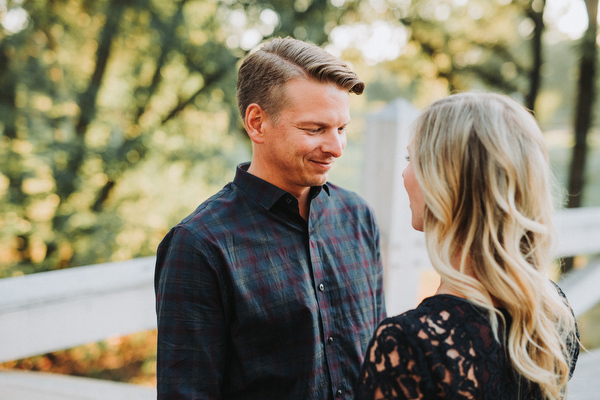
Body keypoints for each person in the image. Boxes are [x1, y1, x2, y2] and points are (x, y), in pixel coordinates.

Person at [155, 37, 386, 400]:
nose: (336, 148)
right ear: (257, 123)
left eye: (341, 129)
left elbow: (377, 365)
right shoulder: (199, 244)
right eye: (315, 129)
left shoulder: (357, 217)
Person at [355, 92, 579, 400]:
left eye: (412, 160)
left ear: (446, 182)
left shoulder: (410, 344)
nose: (405, 174)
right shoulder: (550, 316)